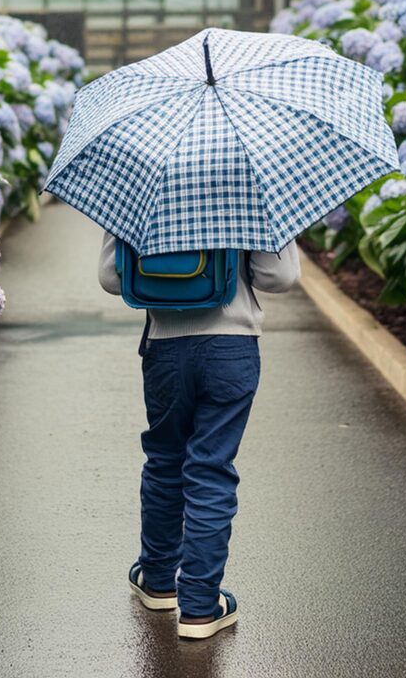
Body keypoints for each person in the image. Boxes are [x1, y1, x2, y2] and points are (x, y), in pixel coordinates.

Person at [98, 232, 301, 640]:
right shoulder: (246, 176)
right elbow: (279, 276)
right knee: (211, 469)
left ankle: (157, 581)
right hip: (232, 348)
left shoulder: (142, 175)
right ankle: (200, 605)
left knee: (165, 462)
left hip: (165, 349)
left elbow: (111, 278)